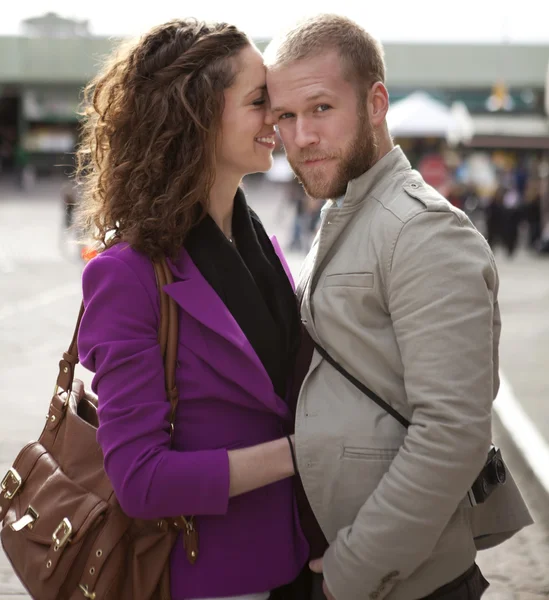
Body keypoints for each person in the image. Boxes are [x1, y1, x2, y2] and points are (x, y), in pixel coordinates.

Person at [264, 14, 532, 600]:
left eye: (321, 109)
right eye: (285, 116)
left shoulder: (422, 229)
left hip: (401, 584)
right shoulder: (349, 205)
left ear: (376, 102)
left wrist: (351, 573)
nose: (300, 136)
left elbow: (453, 433)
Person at [75, 19, 309, 600]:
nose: (276, 119)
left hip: (293, 565)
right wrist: (303, 456)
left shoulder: (261, 244)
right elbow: (141, 481)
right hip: (204, 578)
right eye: (260, 102)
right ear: (200, 114)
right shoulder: (124, 275)